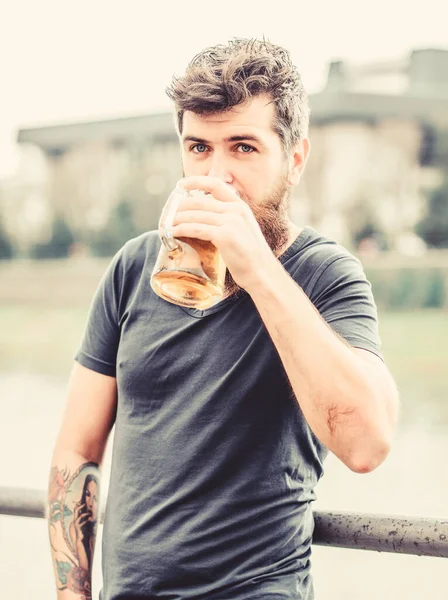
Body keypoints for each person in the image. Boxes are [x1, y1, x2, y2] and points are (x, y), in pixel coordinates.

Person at [47, 38, 399, 600]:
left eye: (243, 148)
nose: (217, 175)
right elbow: (76, 449)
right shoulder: (133, 267)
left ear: (295, 158)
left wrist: (256, 265)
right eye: (199, 148)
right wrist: (71, 592)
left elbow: (366, 443)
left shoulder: (325, 274)